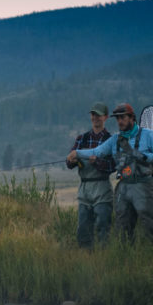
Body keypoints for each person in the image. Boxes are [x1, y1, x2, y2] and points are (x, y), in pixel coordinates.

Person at [68, 103, 153, 246]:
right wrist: (76, 153)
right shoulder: (115, 140)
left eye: (123, 118)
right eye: (117, 119)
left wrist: (145, 157)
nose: (120, 121)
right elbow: (97, 151)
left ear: (132, 118)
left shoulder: (147, 135)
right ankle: (124, 259)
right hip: (123, 186)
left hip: (143, 185)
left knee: (151, 225)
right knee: (122, 230)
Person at [66, 102, 115, 248]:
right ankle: (86, 259)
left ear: (105, 117)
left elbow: (113, 166)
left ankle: (103, 258)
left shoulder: (110, 140)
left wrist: (97, 162)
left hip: (102, 189)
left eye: (98, 115)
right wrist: (72, 160)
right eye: (93, 114)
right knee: (83, 230)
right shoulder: (82, 139)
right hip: (84, 189)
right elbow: (68, 164)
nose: (95, 118)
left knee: (102, 227)